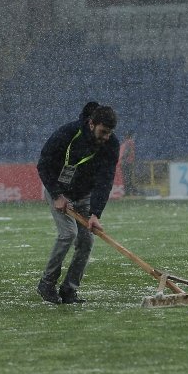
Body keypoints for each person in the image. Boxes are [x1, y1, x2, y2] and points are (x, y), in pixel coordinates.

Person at [36, 105, 119, 305]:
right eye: (103, 132)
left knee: (87, 242)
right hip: (59, 192)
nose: (106, 137)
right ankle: (46, 283)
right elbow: (44, 164)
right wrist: (57, 195)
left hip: (84, 195)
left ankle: (69, 290)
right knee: (68, 234)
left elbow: (105, 181)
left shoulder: (111, 145)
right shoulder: (67, 133)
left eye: (109, 133)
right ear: (91, 124)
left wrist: (95, 214)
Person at [119, 132, 136, 196]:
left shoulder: (128, 143)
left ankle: (128, 192)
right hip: (129, 162)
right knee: (128, 177)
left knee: (126, 178)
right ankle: (130, 191)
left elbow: (127, 152)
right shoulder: (131, 143)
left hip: (126, 163)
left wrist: (123, 159)